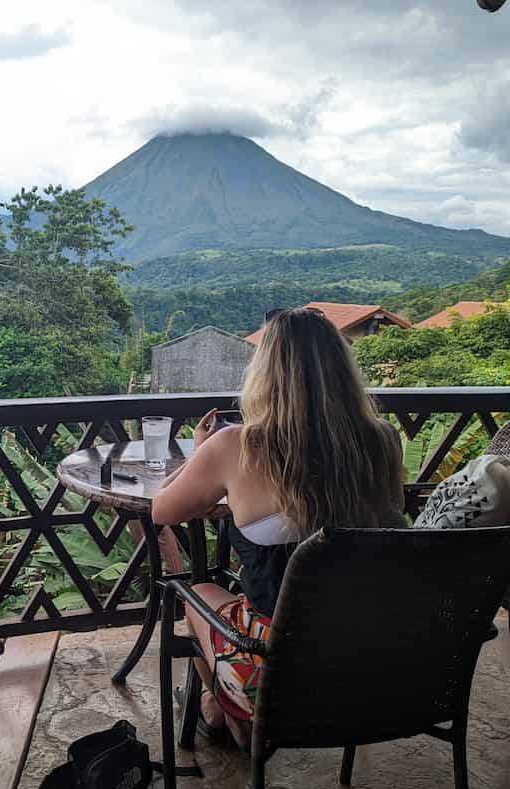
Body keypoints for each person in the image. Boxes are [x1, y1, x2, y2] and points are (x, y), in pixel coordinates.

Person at [151, 307, 406, 744]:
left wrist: (202, 453)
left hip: (280, 678)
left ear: (264, 373)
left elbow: (161, 511)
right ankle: (218, 709)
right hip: (371, 665)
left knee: (197, 594)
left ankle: (227, 714)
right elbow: (387, 523)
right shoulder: (382, 438)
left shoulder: (236, 446)